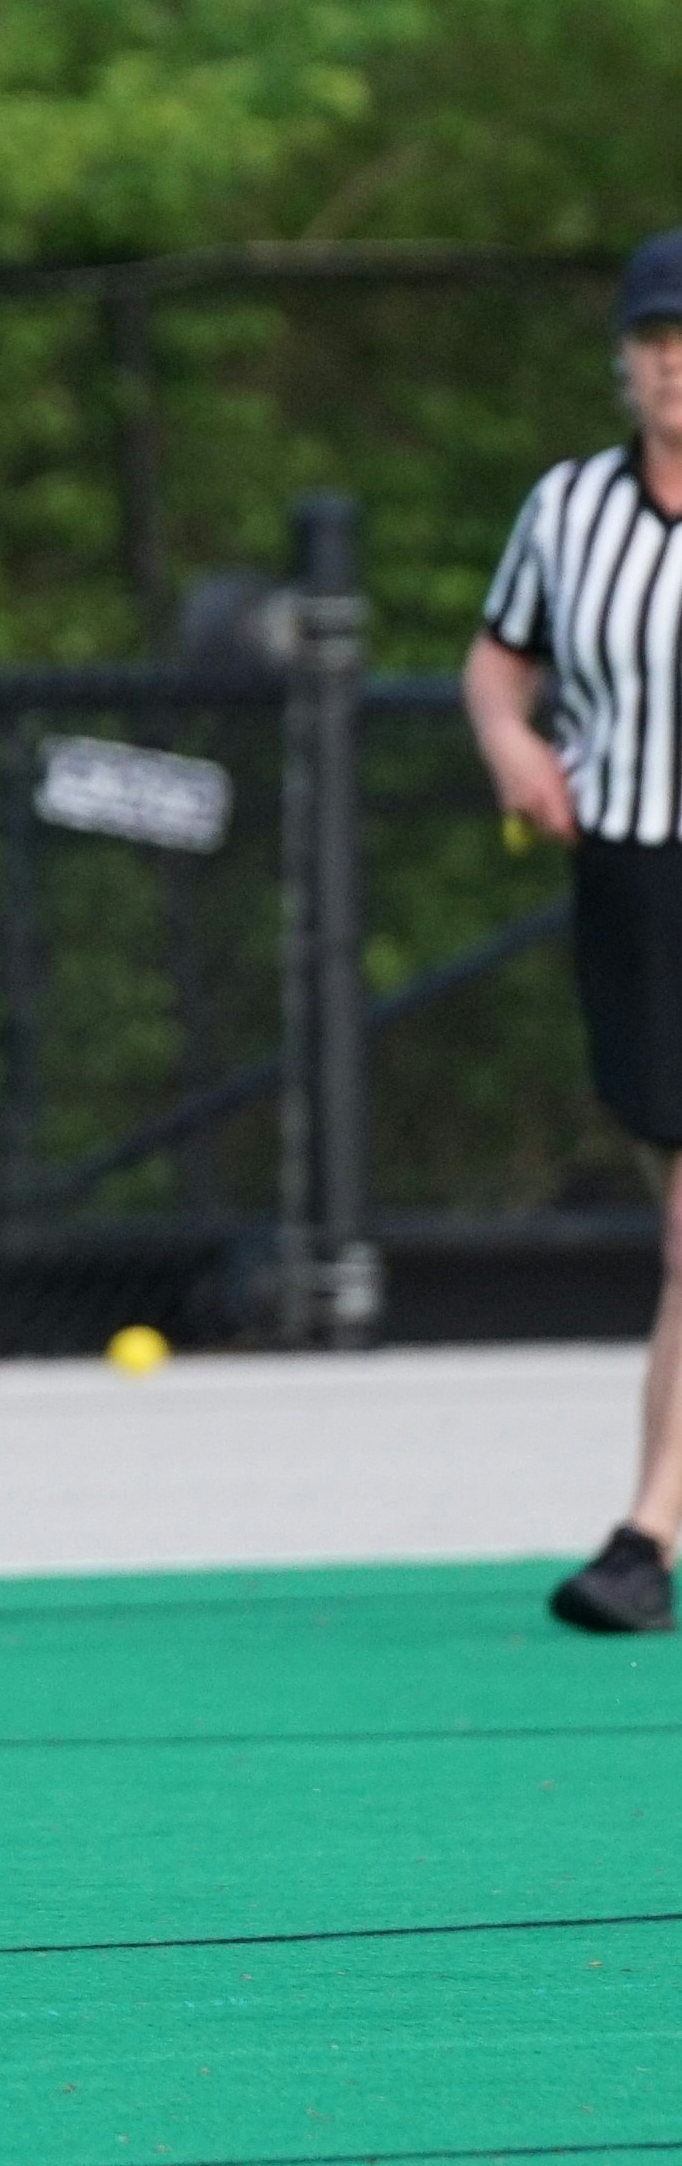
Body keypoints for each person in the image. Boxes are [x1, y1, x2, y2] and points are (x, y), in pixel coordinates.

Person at [466, 225, 682, 1638]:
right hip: (636, 879)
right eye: (660, 346)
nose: (678, 372)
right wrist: (513, 750)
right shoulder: (569, 509)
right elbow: (499, 664)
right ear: (626, 361)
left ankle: (648, 1530)